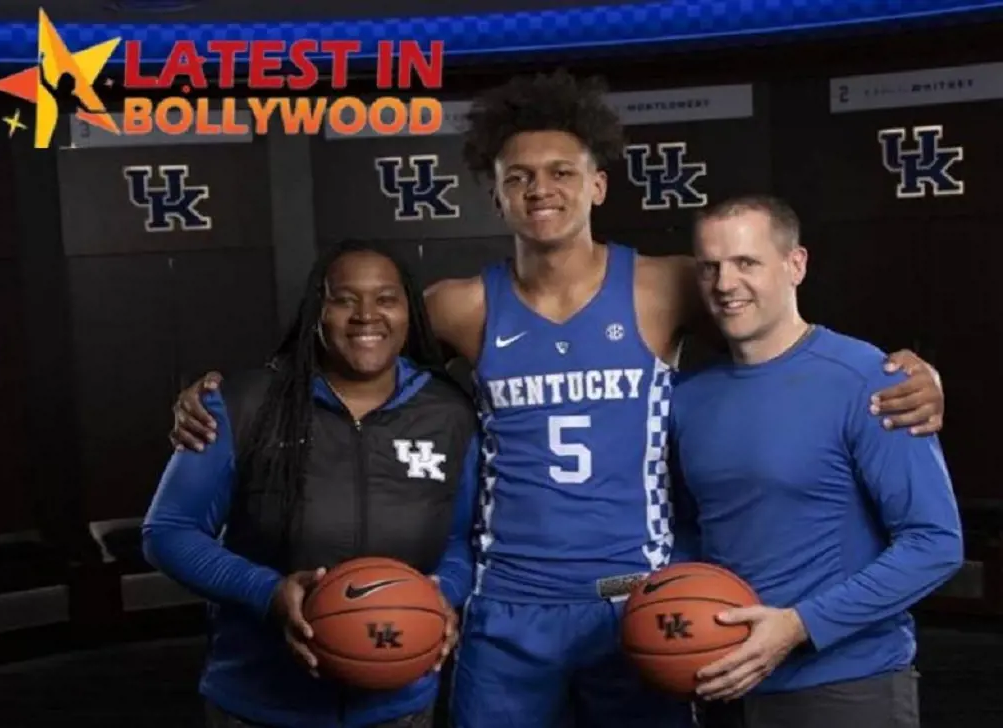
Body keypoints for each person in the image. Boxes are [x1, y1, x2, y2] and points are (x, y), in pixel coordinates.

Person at [167, 71, 946, 728]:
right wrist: (220, 395)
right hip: (507, 605)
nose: (542, 189)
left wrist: (907, 372)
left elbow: (781, 333)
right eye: (519, 177)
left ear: (597, 183)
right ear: (496, 196)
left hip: (638, 599)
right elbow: (345, 347)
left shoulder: (667, 283)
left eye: (562, 172)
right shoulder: (458, 306)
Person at [142, 240, 480, 728]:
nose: (366, 315)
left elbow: (460, 540)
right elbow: (168, 531)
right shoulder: (242, 403)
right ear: (315, 312)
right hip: (259, 702)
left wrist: (438, 596)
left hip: (398, 704)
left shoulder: (451, 413)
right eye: (344, 298)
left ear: (410, 314)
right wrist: (268, 592)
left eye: (386, 298)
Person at [671, 195, 963, 728]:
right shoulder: (686, 397)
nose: (725, 283)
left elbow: (936, 544)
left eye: (746, 262)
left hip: (845, 686)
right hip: (725, 683)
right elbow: (694, 531)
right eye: (709, 266)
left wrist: (800, 625)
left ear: (795, 264)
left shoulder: (871, 380)